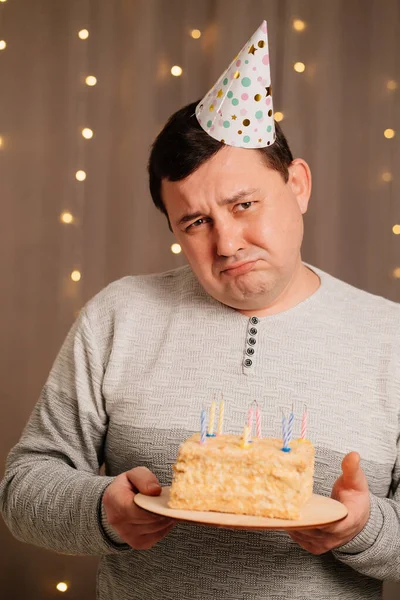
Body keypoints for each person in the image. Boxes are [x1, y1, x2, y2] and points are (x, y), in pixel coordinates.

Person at [1, 20, 400, 600]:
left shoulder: (391, 337)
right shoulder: (118, 316)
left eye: (244, 204)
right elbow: (22, 489)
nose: (228, 242)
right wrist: (101, 510)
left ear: (299, 184)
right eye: (196, 221)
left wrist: (364, 530)